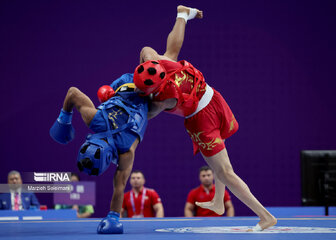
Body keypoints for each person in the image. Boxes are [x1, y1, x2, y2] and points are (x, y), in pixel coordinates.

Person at [133, 5, 277, 231]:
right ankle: (182, 14)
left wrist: (127, 102)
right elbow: (147, 48)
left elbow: (147, 114)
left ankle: (265, 216)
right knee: (170, 53)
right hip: (213, 97)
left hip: (202, 119)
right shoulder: (158, 62)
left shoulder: (165, 98)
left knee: (225, 172)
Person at [49, 73, 148, 234]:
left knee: (164, 92)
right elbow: (72, 92)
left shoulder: (126, 152)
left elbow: (119, 186)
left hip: (150, 96)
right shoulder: (94, 120)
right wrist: (63, 122)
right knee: (147, 52)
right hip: (125, 85)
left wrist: (113, 217)